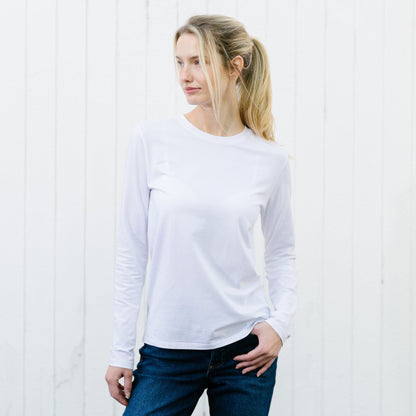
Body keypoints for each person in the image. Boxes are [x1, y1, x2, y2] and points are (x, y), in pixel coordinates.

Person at [105, 14, 298, 416]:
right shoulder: (152, 140)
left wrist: (280, 325)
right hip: (168, 351)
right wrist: (120, 350)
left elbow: (281, 252)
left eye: (199, 61)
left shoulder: (269, 158)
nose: (185, 75)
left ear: (234, 66)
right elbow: (131, 251)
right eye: (179, 62)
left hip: (245, 352)